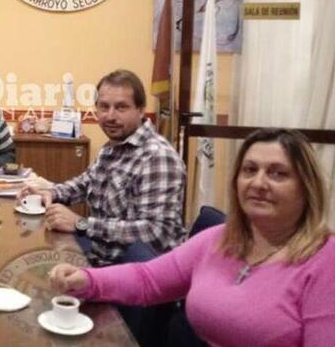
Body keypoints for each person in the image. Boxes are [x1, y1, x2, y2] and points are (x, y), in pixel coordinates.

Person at [50, 128, 335, 346]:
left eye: (278, 174)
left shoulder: (325, 259)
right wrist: (86, 280)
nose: (258, 183)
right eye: (250, 170)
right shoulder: (219, 239)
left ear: (306, 188)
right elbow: (148, 280)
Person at [18, 69, 185, 265]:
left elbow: (156, 233)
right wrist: (51, 193)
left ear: (140, 110)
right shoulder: (115, 145)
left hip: (135, 274)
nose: (110, 116)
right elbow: (85, 183)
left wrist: (81, 224)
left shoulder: (157, 157)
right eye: (104, 107)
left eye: (121, 107)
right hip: (101, 254)